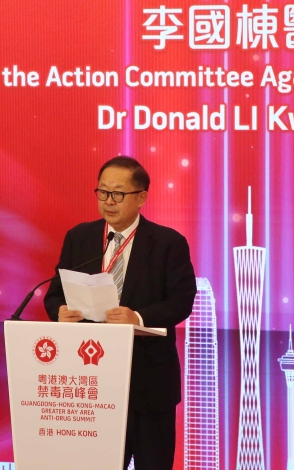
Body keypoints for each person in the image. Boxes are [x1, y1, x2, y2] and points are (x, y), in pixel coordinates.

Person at [44, 156, 197, 470]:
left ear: (141, 197)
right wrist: (60, 310)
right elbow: (55, 292)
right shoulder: (79, 237)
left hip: (148, 383)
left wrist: (137, 318)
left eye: (117, 193)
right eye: (102, 192)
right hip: (89, 385)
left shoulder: (168, 243)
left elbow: (181, 301)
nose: (108, 201)